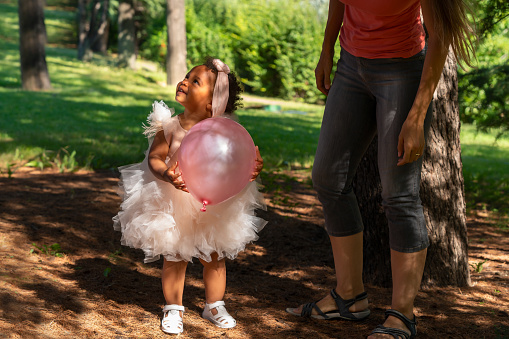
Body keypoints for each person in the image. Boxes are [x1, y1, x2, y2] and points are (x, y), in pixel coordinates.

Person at [286, 0, 475, 338]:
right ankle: (349, 297)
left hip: (402, 71)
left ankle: (402, 315)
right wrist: (327, 48)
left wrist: (416, 116)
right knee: (329, 178)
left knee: (399, 195)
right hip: (351, 66)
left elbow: (440, 36)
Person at [113, 58, 267, 335]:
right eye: (186, 76)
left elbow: (238, 161)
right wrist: (165, 174)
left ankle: (214, 304)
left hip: (217, 202)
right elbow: (156, 158)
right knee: (175, 254)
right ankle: (173, 307)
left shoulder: (225, 132)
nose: (184, 81)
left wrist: (252, 168)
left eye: (195, 81)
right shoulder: (170, 126)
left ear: (212, 103)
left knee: (215, 254)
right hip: (175, 199)